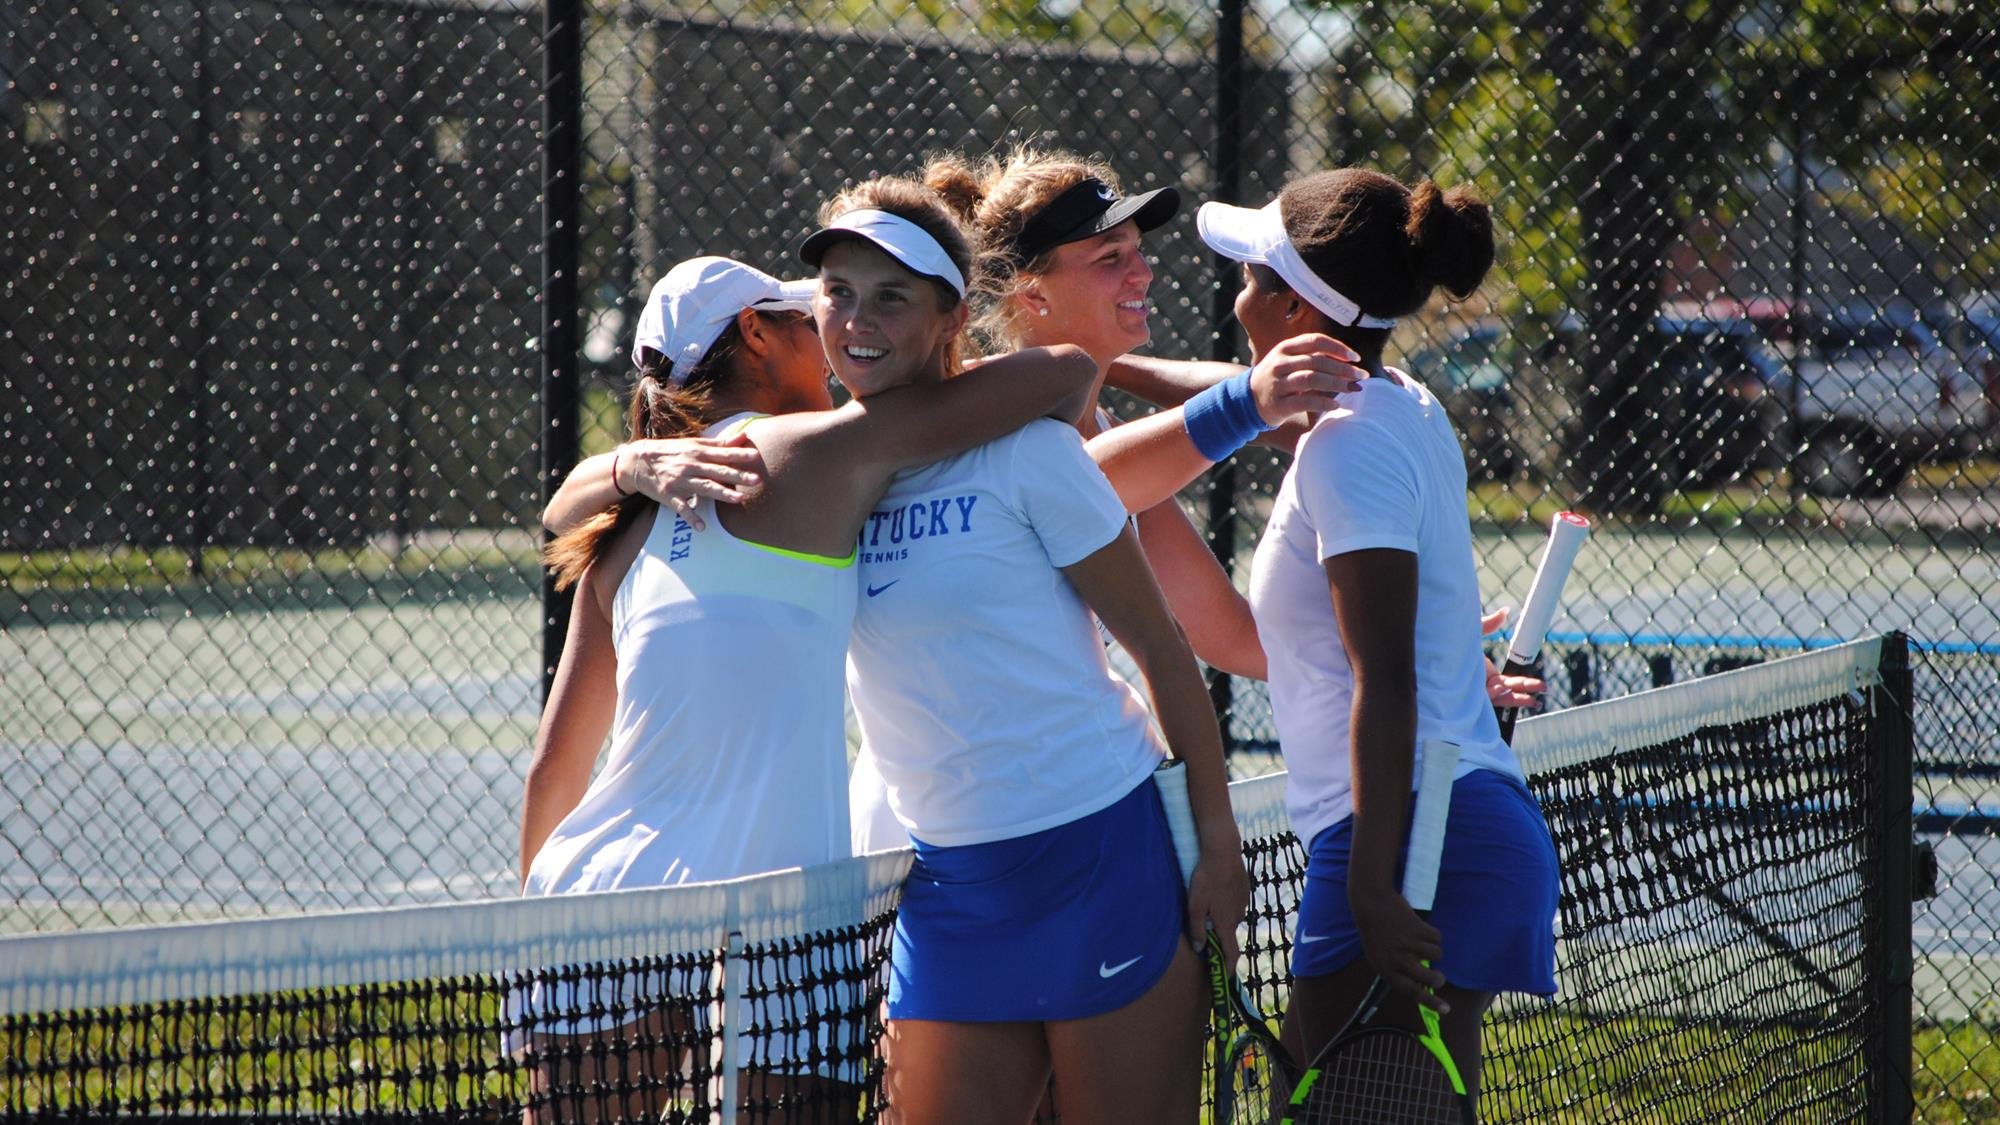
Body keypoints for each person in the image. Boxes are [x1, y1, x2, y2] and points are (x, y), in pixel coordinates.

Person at [519, 254, 1093, 1122]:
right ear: (756, 334)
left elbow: (553, 772)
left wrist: (529, 941)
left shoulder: (623, 525)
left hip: (600, 897)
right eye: (802, 318)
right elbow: (1068, 371)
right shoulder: (823, 453)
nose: (832, 341)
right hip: (793, 926)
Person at [849, 148, 1540, 856]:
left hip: (1043, 815)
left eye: (1136, 250)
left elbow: (1233, 635)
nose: (1142, 271)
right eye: (1109, 257)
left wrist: (1430, 652)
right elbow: (1071, 481)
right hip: (930, 827)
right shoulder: (975, 415)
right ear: (1033, 296)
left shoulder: (1116, 436)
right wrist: (1245, 403)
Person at [796, 174, 1250, 1125]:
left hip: (1101, 859)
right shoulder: (827, 473)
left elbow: (1167, 655)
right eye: (837, 292)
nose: (856, 320)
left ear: (951, 314)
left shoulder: (1029, 454)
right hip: (949, 891)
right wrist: (633, 461)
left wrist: (1216, 845)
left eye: (891, 296)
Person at [1200, 169, 1561, 1103]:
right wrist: (1098, 370)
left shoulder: (1347, 445)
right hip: (1452, 824)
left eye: (1250, 275)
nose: (1236, 293)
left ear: (1289, 305)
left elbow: (1386, 679)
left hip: (1407, 840)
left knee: (1313, 1102)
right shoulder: (1400, 402)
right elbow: (1228, 399)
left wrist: (1372, 892)